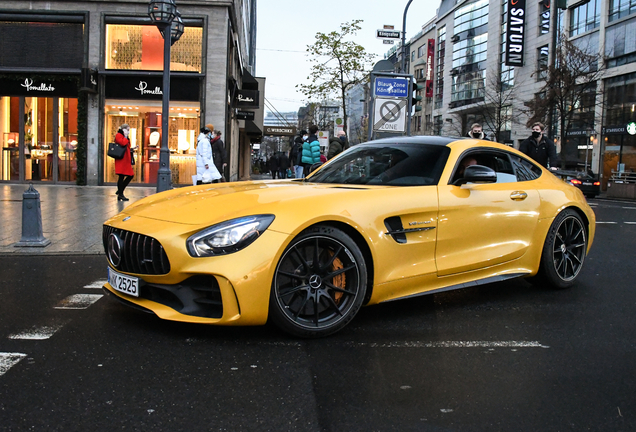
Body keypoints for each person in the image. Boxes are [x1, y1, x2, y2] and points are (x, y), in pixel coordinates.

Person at [114, 123, 135, 201]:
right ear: (123, 129)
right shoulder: (119, 135)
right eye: (127, 129)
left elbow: (126, 146)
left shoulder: (123, 136)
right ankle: (120, 193)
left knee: (129, 175)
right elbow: (122, 143)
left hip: (125, 159)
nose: (128, 131)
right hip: (121, 160)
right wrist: (125, 136)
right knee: (122, 176)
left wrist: (132, 148)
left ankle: (120, 192)